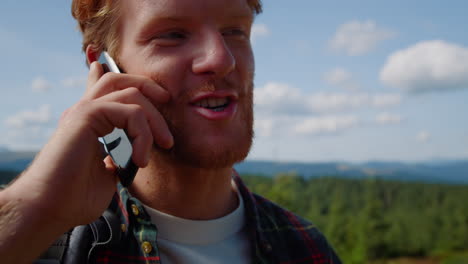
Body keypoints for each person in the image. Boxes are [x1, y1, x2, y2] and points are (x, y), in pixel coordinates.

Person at [0, 0, 342, 263]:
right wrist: (33, 210)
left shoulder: (306, 247)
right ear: (104, 67)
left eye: (234, 31)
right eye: (173, 34)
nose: (221, 59)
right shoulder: (43, 243)